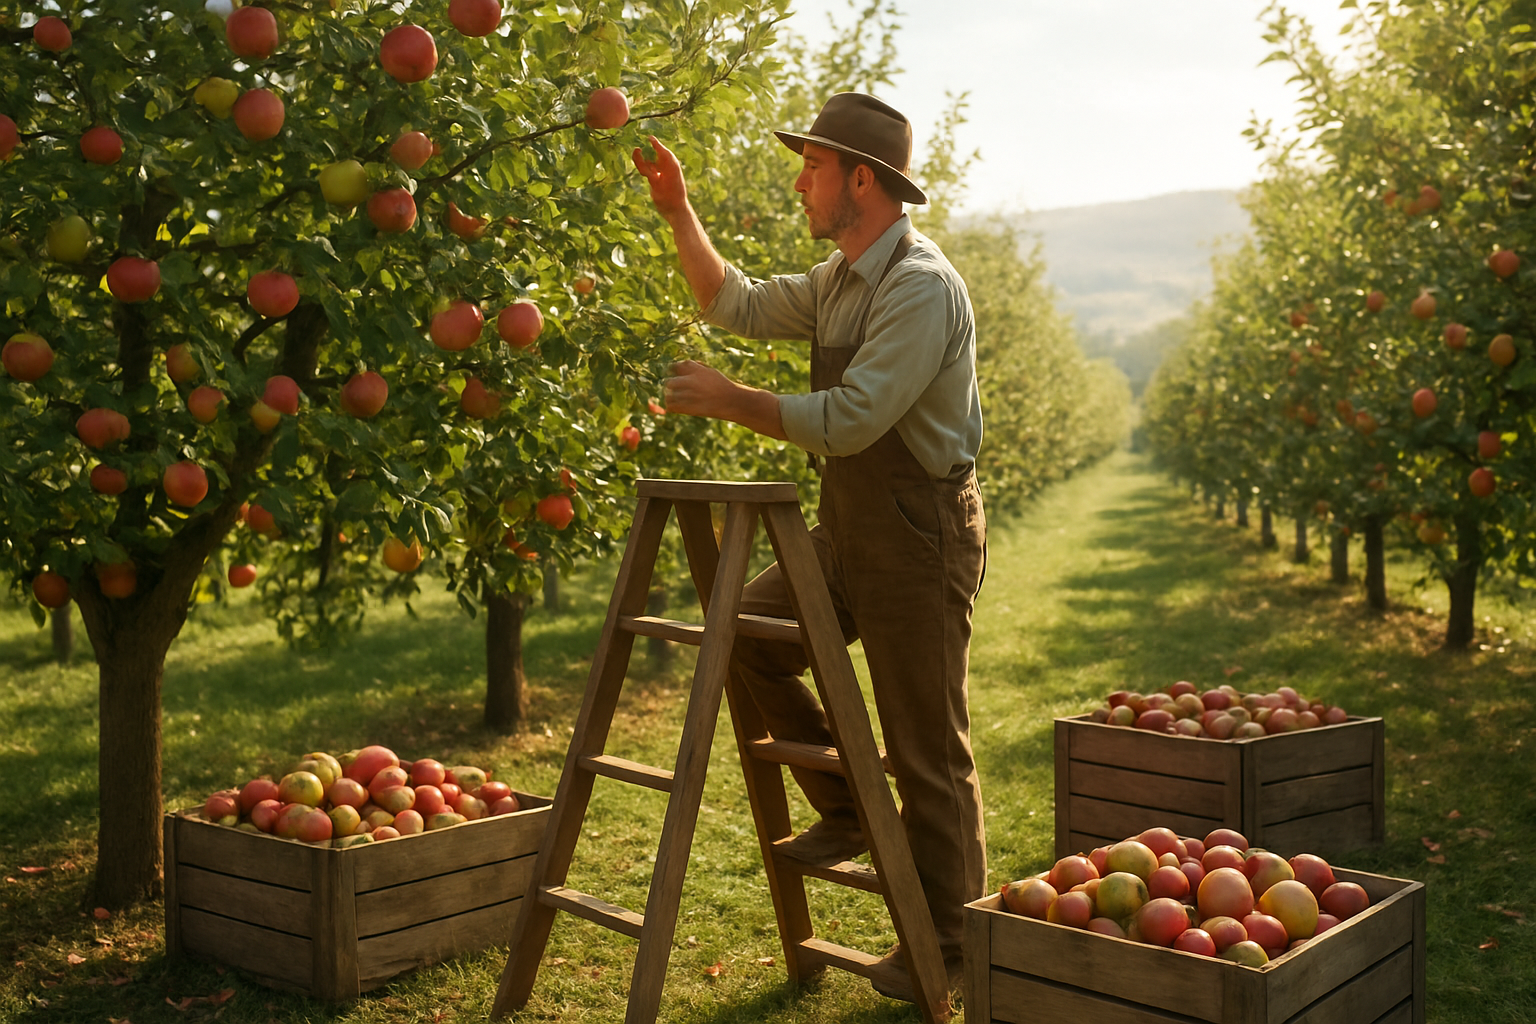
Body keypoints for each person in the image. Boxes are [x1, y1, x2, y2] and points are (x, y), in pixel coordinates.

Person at [631, 92, 986, 1002]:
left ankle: (951, 944)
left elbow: (854, 419)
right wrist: (678, 211)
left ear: (861, 181)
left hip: (919, 533)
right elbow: (732, 302)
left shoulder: (918, 287)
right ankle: (851, 810)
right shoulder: (838, 279)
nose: (801, 181)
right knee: (744, 629)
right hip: (851, 530)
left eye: (814, 166)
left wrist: (732, 400)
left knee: (925, 747)